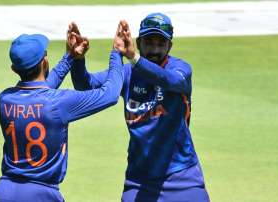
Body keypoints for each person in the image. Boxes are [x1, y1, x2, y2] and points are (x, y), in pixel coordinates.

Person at [70, 13, 210, 201]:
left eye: (161, 43)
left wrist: (134, 57)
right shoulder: (127, 73)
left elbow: (169, 80)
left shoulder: (180, 69)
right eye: (149, 42)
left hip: (181, 176)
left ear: (170, 46)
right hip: (139, 179)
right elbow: (86, 86)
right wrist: (77, 60)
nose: (154, 49)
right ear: (138, 41)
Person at [0, 21, 128, 202]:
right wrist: (116, 54)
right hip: (42, 194)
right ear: (45, 61)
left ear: (14, 69)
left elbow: (39, 91)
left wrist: (70, 57)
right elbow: (110, 95)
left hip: (5, 191)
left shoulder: (4, 99)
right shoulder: (58, 102)